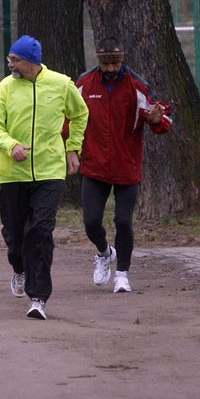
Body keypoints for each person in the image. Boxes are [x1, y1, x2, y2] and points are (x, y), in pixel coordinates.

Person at [0, 35, 89, 320]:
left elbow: (80, 114)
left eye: (14, 60)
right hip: (12, 174)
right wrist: (11, 146)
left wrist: (72, 148)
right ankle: (18, 269)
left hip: (49, 171)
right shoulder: (5, 88)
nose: (9, 64)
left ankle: (38, 297)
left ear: (30, 61)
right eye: (9, 59)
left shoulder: (60, 84)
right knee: (15, 236)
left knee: (41, 231)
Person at [77, 37, 172, 294]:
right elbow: (69, 118)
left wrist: (155, 120)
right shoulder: (84, 84)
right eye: (105, 63)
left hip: (126, 168)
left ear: (122, 59)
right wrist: (71, 150)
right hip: (95, 166)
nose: (110, 69)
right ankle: (104, 252)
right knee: (91, 221)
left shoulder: (137, 86)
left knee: (123, 220)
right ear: (98, 60)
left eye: (115, 63)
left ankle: (122, 274)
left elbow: (162, 119)